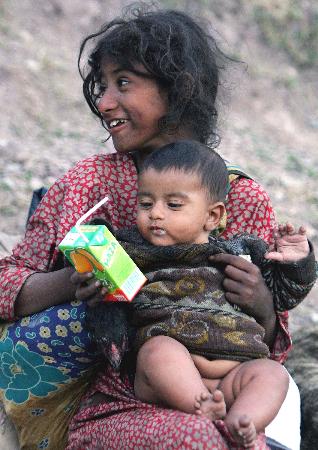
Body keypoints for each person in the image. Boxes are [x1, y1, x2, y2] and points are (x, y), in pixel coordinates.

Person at [0, 4, 310, 449]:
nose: (104, 103)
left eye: (122, 83)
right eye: (102, 86)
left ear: (178, 89)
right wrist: (74, 281)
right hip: (120, 398)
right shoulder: (92, 182)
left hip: (229, 387)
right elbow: (7, 283)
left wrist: (261, 301)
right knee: (198, 438)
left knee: (254, 417)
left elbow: (271, 345)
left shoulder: (240, 198)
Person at [85, 141, 315, 448]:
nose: (156, 214)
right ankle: (201, 408)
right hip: (171, 376)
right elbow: (94, 251)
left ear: (212, 216)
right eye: (145, 203)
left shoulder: (241, 251)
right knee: (157, 351)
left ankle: (244, 424)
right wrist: (92, 245)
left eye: (173, 205)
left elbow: (286, 295)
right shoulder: (133, 250)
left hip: (235, 372)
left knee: (273, 374)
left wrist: (299, 261)